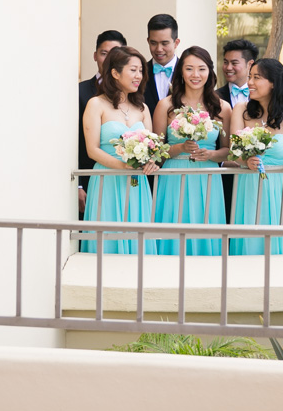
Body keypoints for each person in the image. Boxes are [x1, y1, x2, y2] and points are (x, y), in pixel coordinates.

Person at [152, 46, 231, 255]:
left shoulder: (222, 107)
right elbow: (157, 150)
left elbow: (228, 150)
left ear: (210, 72)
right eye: (189, 69)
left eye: (201, 69)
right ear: (181, 72)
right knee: (173, 224)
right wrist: (179, 148)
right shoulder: (165, 105)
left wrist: (212, 155)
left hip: (208, 177)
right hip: (173, 177)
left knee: (205, 226)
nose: (195, 75)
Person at [81, 45, 160, 255]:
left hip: (137, 183)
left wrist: (151, 161)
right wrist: (123, 165)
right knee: (108, 236)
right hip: (107, 178)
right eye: (133, 70)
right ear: (115, 73)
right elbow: (92, 149)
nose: (139, 76)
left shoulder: (143, 108)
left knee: (137, 234)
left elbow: (152, 147)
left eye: (141, 71)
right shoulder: (96, 104)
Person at [229, 59, 283, 255]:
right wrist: (245, 161)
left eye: (257, 77)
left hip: (282, 189)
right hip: (249, 187)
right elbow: (233, 151)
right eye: (249, 77)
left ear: (273, 82)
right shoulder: (241, 110)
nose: (250, 82)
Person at [79, 30, 126, 215]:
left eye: (115, 54)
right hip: (92, 178)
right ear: (95, 56)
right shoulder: (80, 92)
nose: (108, 60)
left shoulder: (134, 96)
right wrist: (78, 185)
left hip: (129, 180)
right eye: (104, 53)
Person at [215, 39, 259, 220]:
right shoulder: (214, 98)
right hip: (223, 178)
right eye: (225, 62)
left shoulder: (265, 98)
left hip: (256, 177)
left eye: (234, 63)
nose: (228, 67)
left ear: (250, 64)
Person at [142, 14, 180, 116]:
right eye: (153, 43)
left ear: (176, 43)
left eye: (164, 43)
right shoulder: (139, 73)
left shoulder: (188, 73)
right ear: (148, 41)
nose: (159, 49)